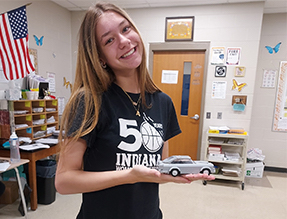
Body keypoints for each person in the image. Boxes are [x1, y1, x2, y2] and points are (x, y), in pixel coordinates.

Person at [55, 2, 215, 219]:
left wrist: (174, 173)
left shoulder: (163, 102)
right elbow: (64, 182)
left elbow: (157, 169)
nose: (124, 41)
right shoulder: (89, 101)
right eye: (109, 40)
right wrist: (129, 175)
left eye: (125, 29)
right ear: (99, 57)